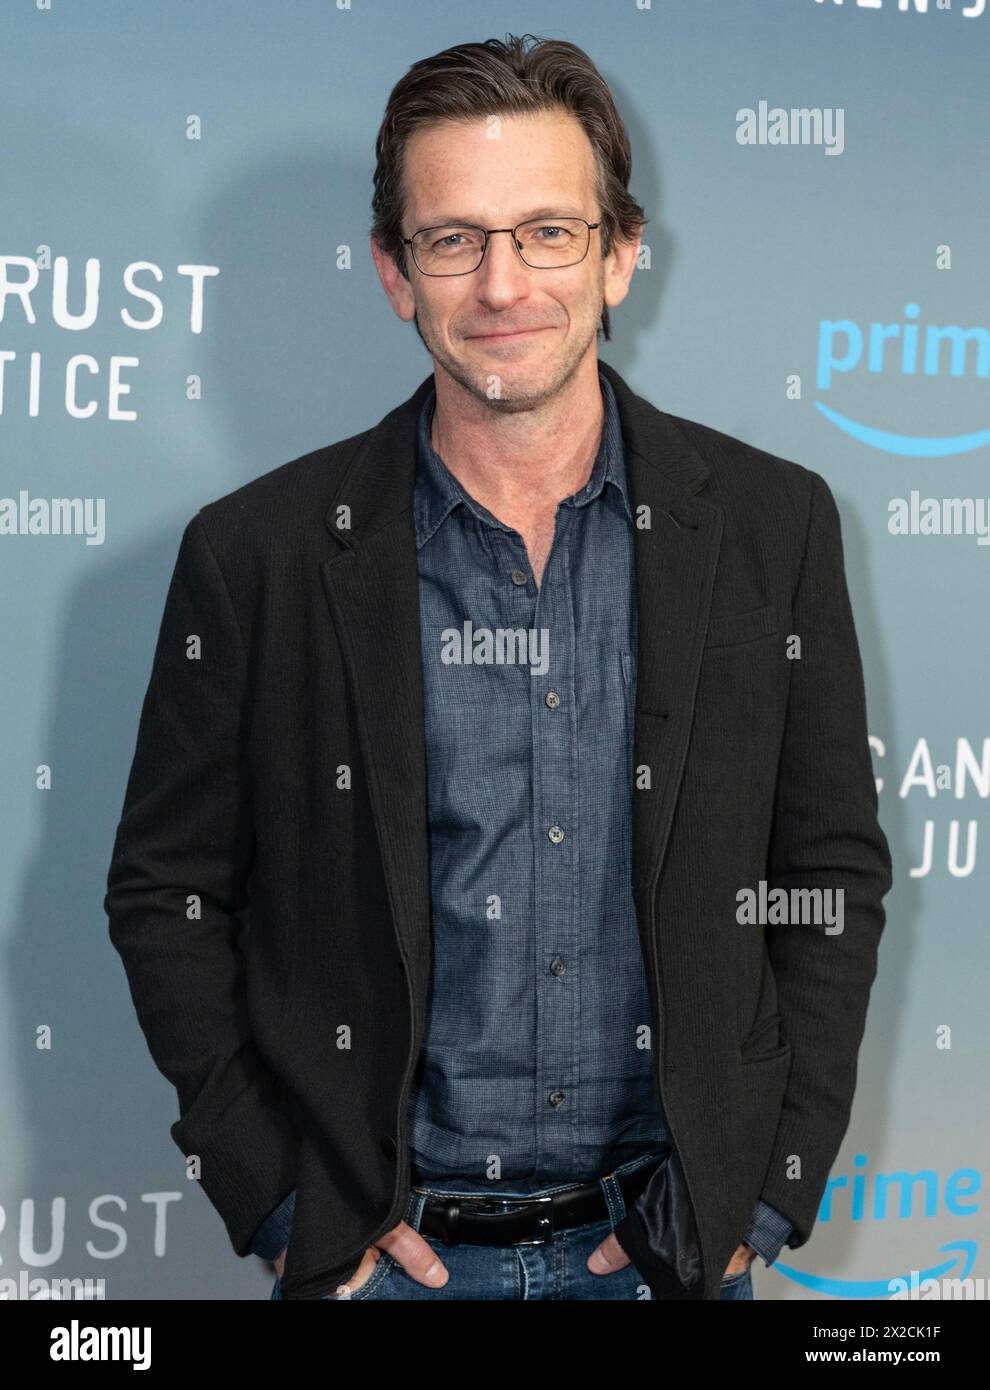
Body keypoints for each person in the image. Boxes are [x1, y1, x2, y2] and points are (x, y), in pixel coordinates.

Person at [104, 34, 892, 1302]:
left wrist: (768, 1184)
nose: (501, 283)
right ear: (392, 274)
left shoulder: (770, 524)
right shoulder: (256, 557)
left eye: (547, 233)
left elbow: (827, 875)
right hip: (391, 1262)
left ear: (623, 254)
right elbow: (167, 894)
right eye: (453, 239)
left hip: (669, 1257)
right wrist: (280, 1198)